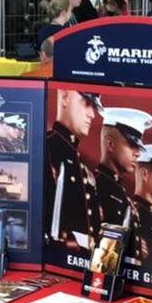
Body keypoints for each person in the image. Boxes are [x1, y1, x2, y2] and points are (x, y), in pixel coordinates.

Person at [45, 90, 102, 251]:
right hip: (56, 254)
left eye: (94, 107)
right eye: (86, 103)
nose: (92, 114)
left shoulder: (82, 166)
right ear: (65, 98)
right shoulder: (47, 148)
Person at [94, 108, 152, 226]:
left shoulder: (124, 196)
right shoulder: (94, 187)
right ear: (110, 144)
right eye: (132, 145)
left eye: (138, 147)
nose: (138, 153)